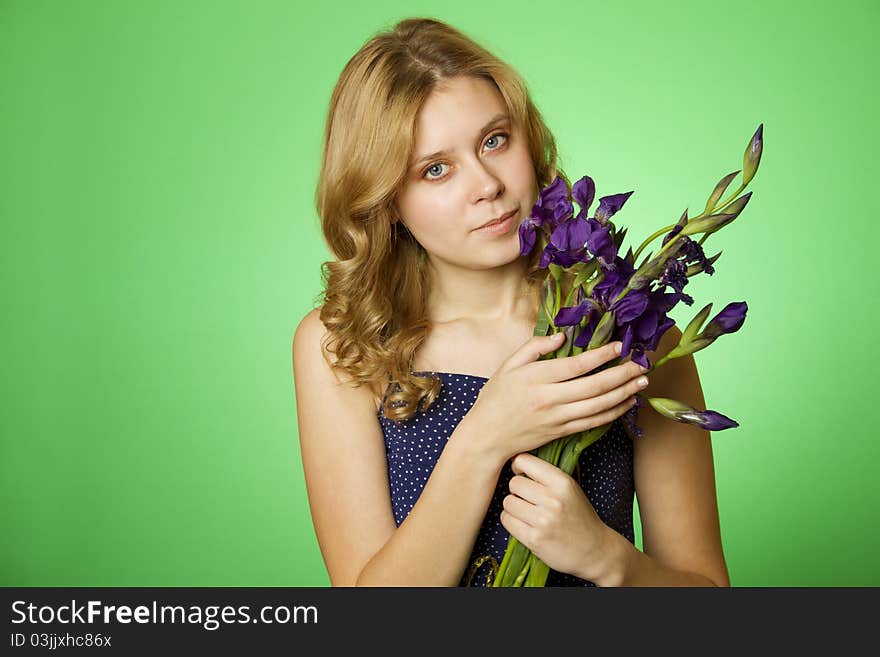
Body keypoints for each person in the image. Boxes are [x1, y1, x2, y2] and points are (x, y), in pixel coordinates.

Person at [292, 17, 730, 587]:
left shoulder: (625, 329)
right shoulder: (342, 345)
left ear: (528, 137)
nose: (486, 185)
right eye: (435, 169)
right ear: (387, 201)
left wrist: (610, 560)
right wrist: (484, 438)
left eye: (494, 140)